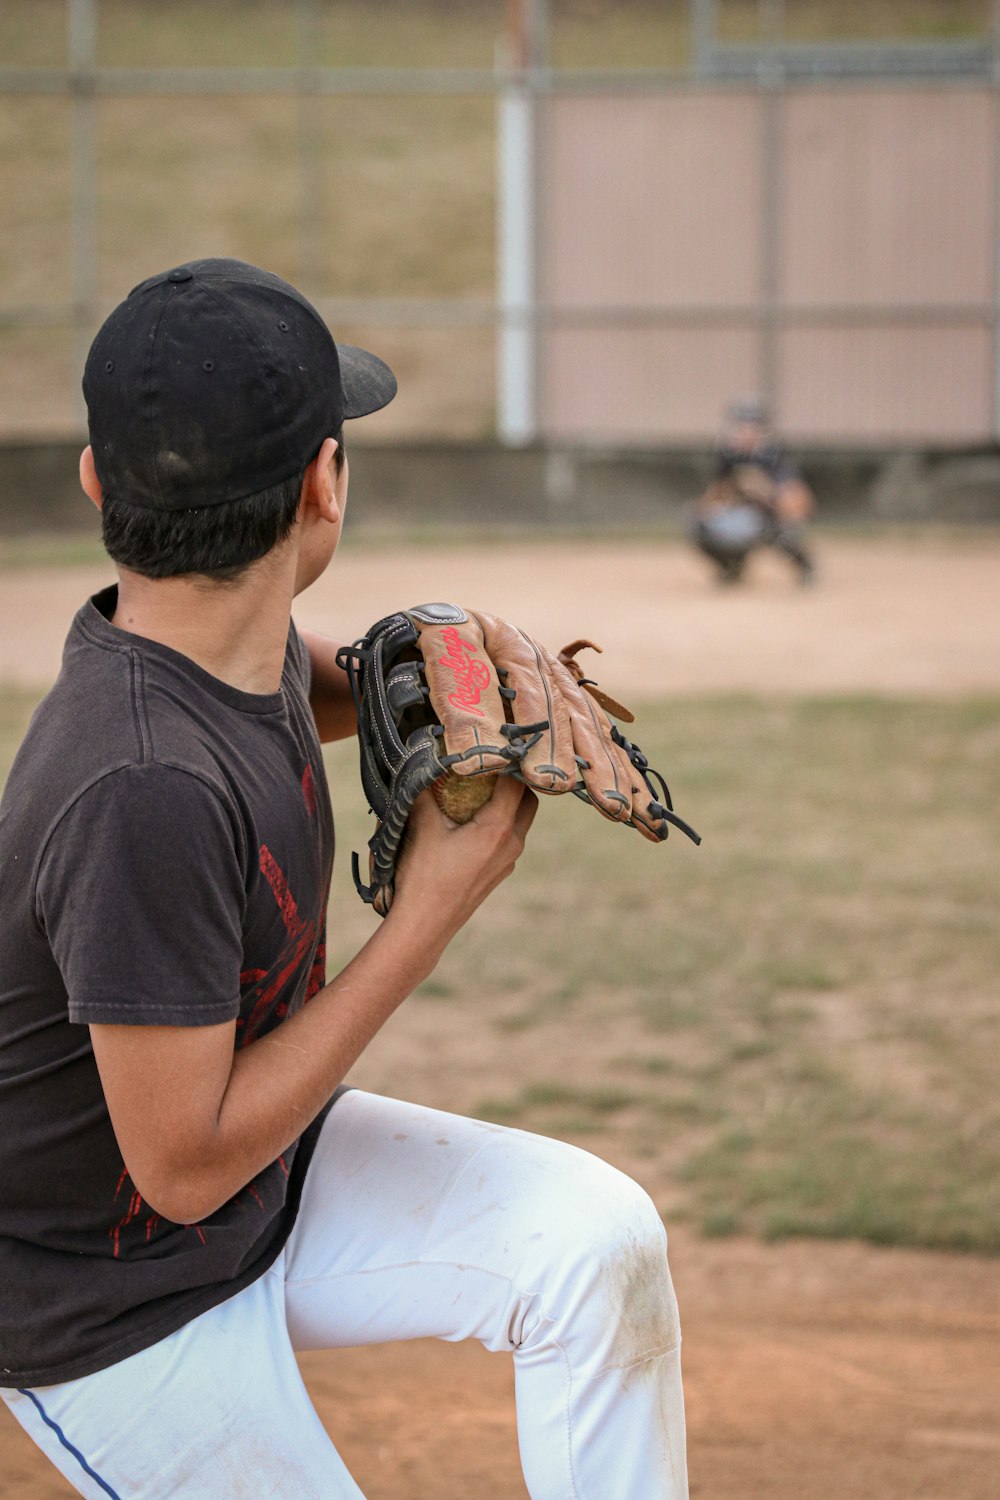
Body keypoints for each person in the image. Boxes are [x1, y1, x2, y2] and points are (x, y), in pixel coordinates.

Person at [0, 258, 687, 1498]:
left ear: (100, 479)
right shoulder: (135, 787)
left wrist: (412, 669)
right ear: (324, 483)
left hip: (262, 1190)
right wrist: (423, 918)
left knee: (593, 1242)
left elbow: (313, 679)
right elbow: (185, 1162)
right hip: (107, 1303)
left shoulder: (215, 637)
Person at [690, 396, 817, 586]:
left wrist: (765, 492)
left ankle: (804, 566)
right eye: (741, 426)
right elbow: (716, 493)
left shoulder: (774, 457)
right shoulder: (727, 456)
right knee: (699, 524)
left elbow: (797, 498)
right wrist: (710, 507)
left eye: (752, 427)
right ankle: (732, 567)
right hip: (741, 515)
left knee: (784, 531)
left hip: (768, 517)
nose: (746, 432)